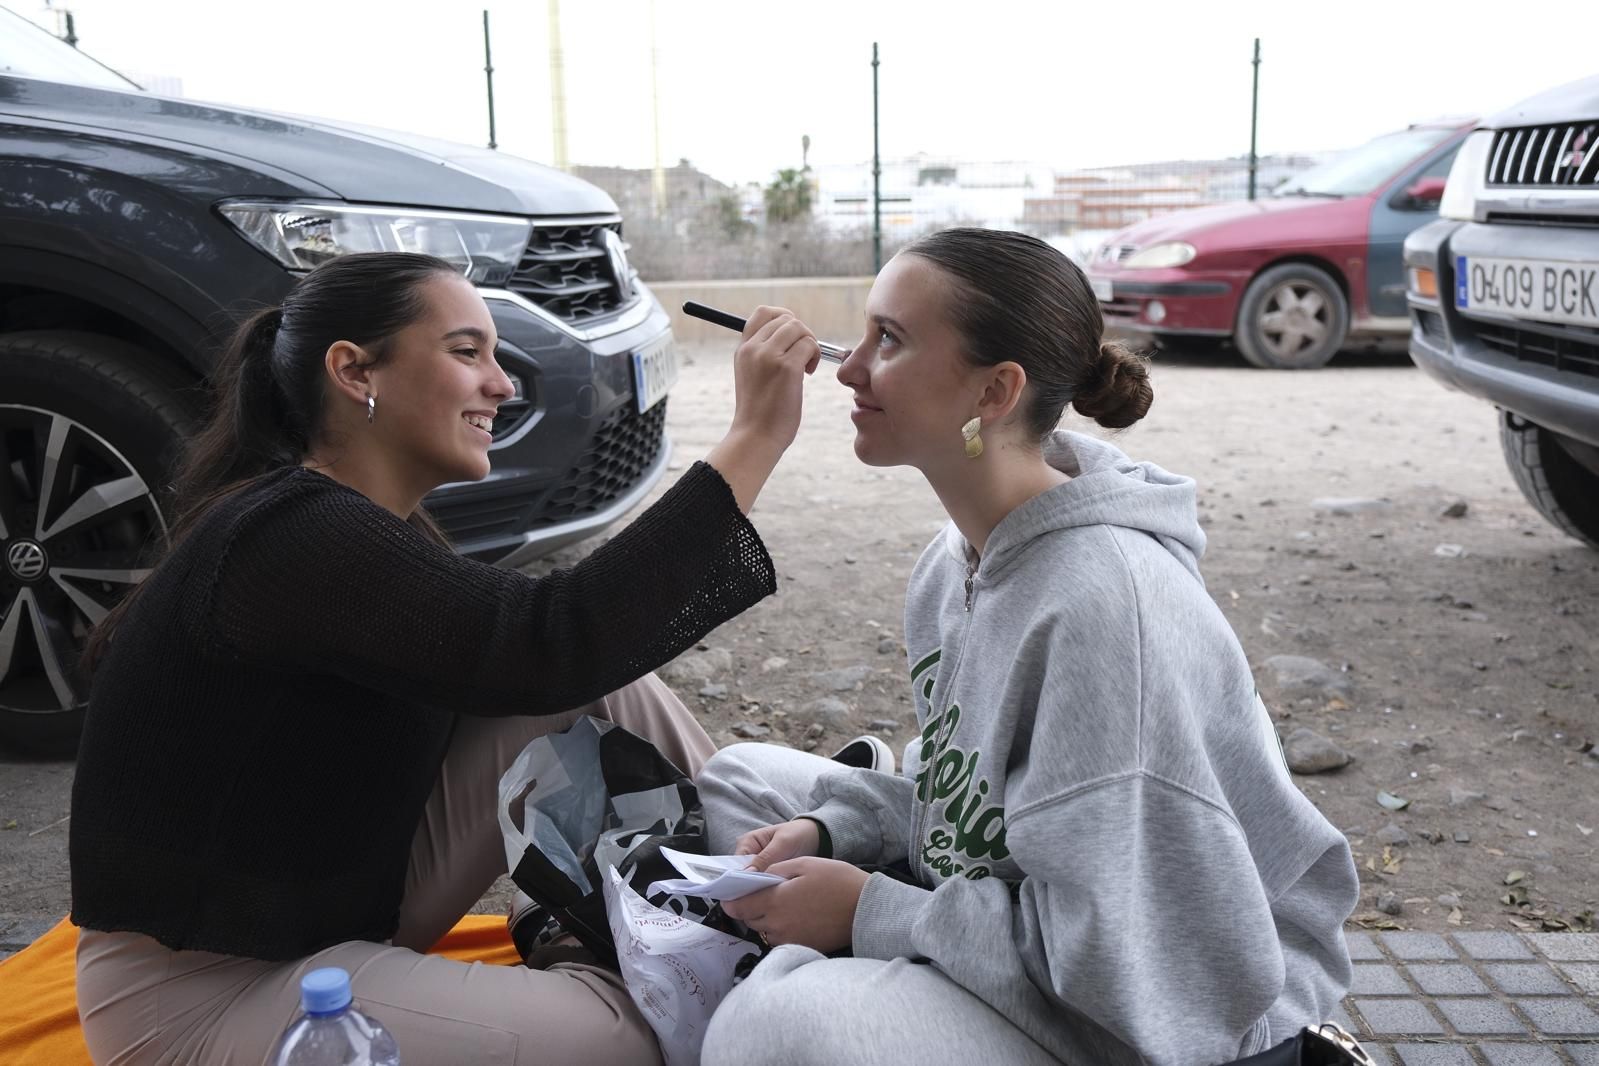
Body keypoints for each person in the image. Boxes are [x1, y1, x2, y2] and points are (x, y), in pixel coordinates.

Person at [69, 252, 822, 1065]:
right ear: (356, 371)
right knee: (637, 1039)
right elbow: (549, 639)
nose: (501, 385)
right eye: (468, 353)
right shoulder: (286, 534)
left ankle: (764, 884)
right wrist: (752, 437)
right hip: (198, 996)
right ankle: (592, 941)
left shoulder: (350, 524)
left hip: (329, 909)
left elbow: (553, 664)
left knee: (604, 687)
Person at [696, 229, 1360, 1066]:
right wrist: (836, 832)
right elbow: (968, 806)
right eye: (862, 334)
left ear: (994, 391)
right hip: (1039, 912)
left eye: (889, 341)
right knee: (741, 779)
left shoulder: (1101, 609)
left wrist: (869, 912)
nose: (848, 368)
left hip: (1174, 1013)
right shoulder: (956, 559)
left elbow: (1126, 966)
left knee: (775, 1028)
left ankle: (794, 995)